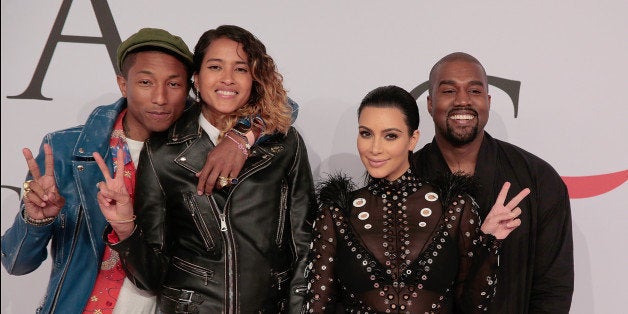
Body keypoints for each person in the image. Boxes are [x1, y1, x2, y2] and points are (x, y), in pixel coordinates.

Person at [1, 27, 259, 313]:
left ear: (191, 87)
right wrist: (35, 220)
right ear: (124, 85)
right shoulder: (66, 150)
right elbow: (16, 263)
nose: (160, 98)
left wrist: (243, 134)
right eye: (146, 82)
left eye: (173, 85)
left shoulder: (206, 144)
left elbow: (283, 105)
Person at [94, 25, 317, 313]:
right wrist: (125, 227)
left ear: (254, 78)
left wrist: (243, 135)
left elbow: (306, 244)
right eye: (215, 67)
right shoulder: (163, 151)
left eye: (240, 69)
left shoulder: (283, 143)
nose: (227, 79)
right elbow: (150, 278)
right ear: (196, 79)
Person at [306, 85, 530, 313]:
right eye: (366, 133)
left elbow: (472, 307)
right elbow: (318, 305)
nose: (374, 148)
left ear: (413, 140)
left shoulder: (454, 207)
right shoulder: (337, 213)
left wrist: (488, 242)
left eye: (390, 136)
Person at [413, 52, 574, 313]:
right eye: (449, 90)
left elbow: (553, 289)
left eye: (474, 91)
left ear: (487, 101)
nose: (462, 100)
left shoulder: (538, 180)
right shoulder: (405, 178)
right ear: (430, 104)